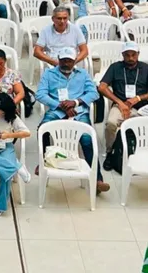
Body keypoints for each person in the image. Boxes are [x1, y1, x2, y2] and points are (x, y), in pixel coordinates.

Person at [36, 47, 107, 191]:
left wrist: (75, 102)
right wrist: (60, 105)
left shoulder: (83, 74)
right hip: (57, 111)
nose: (66, 64)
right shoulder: (49, 74)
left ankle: (98, 179)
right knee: (42, 130)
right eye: (63, 60)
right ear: (59, 60)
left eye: (69, 61)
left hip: (78, 112)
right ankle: (43, 161)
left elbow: (94, 93)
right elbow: (40, 94)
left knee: (87, 140)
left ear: (75, 61)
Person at [98, 42, 148, 154]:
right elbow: (102, 87)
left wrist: (138, 98)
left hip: (141, 106)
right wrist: (120, 103)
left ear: (138, 54)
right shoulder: (115, 67)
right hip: (119, 105)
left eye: (133, 54)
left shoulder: (145, 68)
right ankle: (110, 152)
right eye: (127, 55)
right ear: (122, 55)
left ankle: (141, 150)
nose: (130, 58)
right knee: (111, 123)